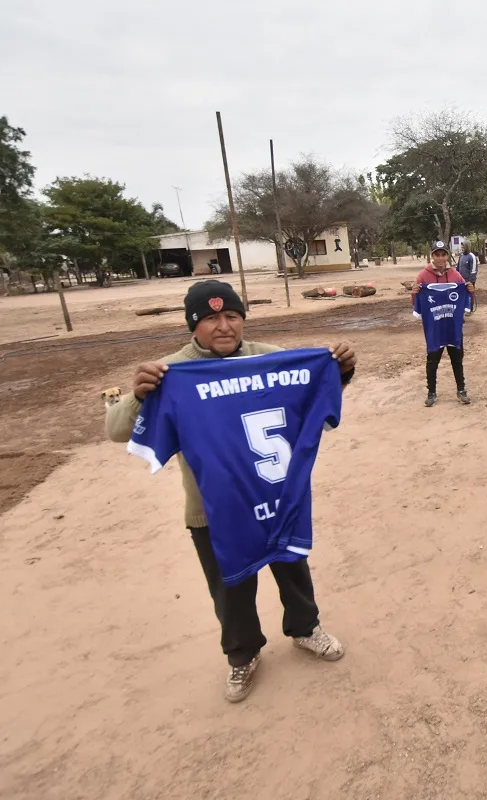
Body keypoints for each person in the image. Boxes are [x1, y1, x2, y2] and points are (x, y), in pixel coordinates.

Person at [104, 280, 357, 703]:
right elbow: (115, 430)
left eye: (232, 316)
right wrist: (136, 396)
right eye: (211, 318)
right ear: (193, 326)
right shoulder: (171, 374)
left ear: (242, 319)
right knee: (230, 587)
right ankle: (242, 655)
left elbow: (312, 396)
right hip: (214, 511)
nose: (223, 326)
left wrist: (340, 371)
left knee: (293, 567)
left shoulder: (269, 359)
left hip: (279, 499)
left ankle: (305, 628)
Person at [413, 240, 473, 407]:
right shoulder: (423, 276)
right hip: (434, 328)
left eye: (443, 254)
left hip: (453, 327)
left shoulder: (455, 275)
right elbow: (416, 302)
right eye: (437, 255)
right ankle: (431, 392)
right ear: (432, 256)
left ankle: (461, 390)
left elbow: (465, 295)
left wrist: (470, 291)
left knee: (457, 358)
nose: (440, 258)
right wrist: (415, 293)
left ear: (447, 256)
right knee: (432, 360)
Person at [457, 242, 480, 312]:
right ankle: (463, 309)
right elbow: (457, 268)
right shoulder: (461, 256)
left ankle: (470, 309)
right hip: (461, 281)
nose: (462, 248)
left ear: (467, 247)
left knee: (470, 295)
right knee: (461, 295)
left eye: (463, 247)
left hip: (469, 280)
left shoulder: (472, 256)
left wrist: (471, 281)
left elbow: (473, 270)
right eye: (461, 247)